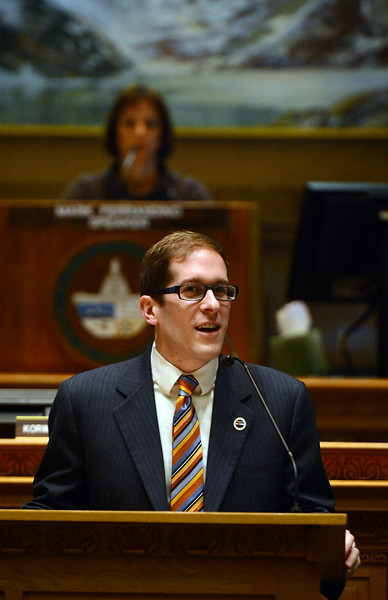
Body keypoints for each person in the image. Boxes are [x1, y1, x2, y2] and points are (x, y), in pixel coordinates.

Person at [22, 230, 360, 599]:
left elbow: (311, 517)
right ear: (150, 309)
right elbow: (51, 520)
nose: (213, 304)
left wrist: (335, 547)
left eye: (223, 290)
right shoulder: (86, 399)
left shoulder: (280, 399)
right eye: (192, 291)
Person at [61, 84, 212, 201]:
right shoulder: (86, 193)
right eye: (130, 124)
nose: (140, 132)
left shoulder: (189, 195)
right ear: (115, 132)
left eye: (150, 124)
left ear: (163, 133)